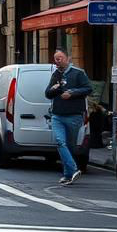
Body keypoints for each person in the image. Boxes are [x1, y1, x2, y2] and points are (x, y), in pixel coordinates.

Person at [44, 48, 92, 186]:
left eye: (60, 58)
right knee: (60, 142)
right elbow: (47, 93)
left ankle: (67, 175)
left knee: (70, 146)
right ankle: (74, 169)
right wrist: (55, 89)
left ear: (68, 58)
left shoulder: (78, 73)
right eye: (56, 59)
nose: (57, 61)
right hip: (57, 115)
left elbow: (88, 89)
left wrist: (72, 93)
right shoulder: (55, 75)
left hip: (74, 116)